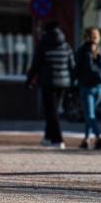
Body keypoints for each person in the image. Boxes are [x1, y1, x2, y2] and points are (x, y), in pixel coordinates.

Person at [26, 20, 75, 149]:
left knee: (51, 111)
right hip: (63, 83)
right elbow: (72, 65)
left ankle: (58, 139)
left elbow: (36, 63)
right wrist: (71, 81)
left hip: (48, 82)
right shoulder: (66, 45)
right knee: (52, 110)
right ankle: (48, 138)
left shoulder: (43, 44)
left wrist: (29, 79)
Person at [73, 27, 101, 150]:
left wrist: (71, 83)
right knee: (90, 114)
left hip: (86, 87)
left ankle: (98, 137)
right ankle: (86, 139)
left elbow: (75, 69)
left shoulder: (82, 51)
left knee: (89, 114)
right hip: (100, 87)